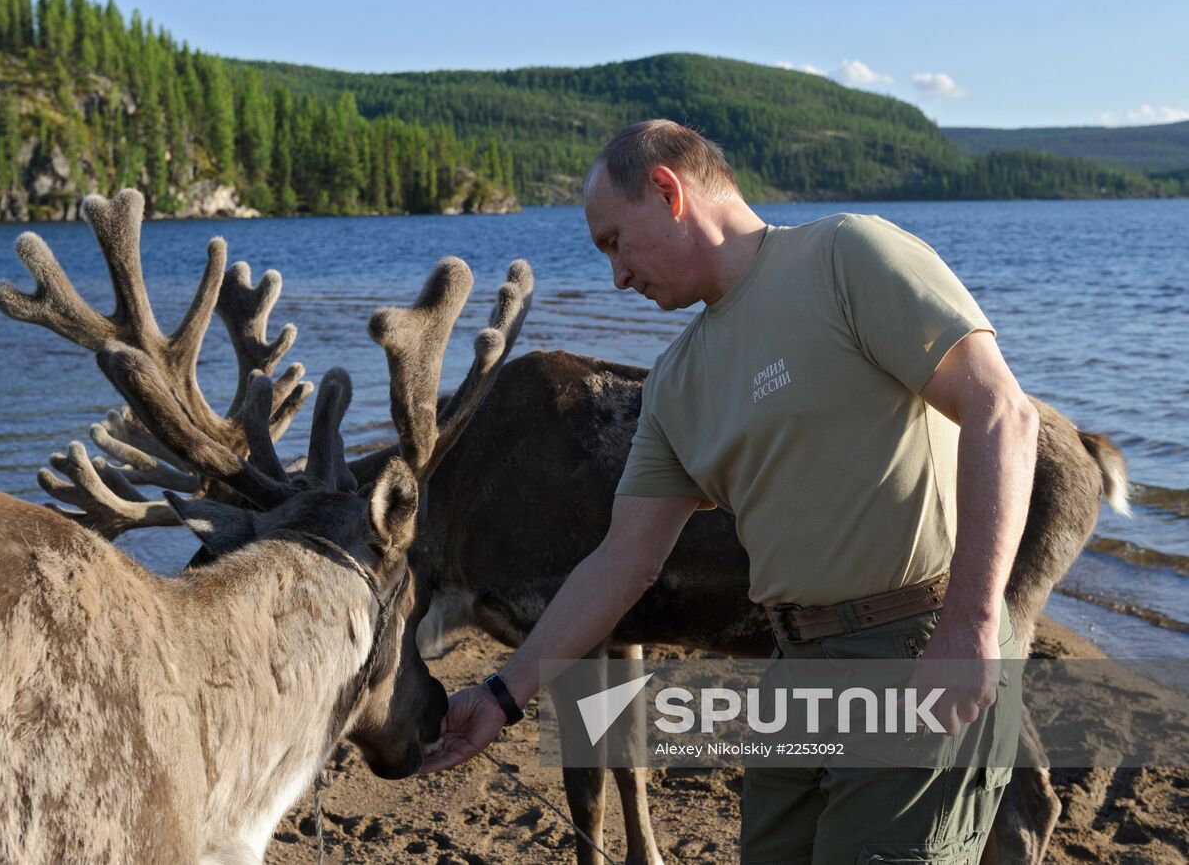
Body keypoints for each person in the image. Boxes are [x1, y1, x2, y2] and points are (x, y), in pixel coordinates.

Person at [418, 119, 1038, 862]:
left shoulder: (846, 256)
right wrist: (499, 697)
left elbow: (1002, 411)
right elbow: (622, 563)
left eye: (614, 241)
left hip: (915, 643)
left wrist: (969, 627)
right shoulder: (680, 380)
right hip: (795, 667)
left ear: (667, 190)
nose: (616, 276)